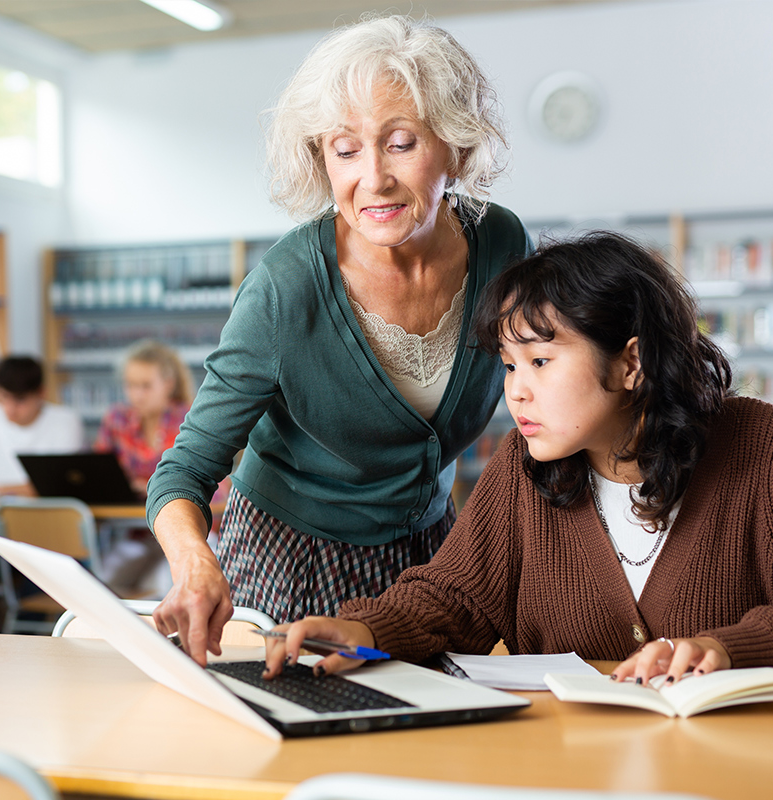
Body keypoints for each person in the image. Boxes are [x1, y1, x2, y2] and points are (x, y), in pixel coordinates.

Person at [262, 232, 773, 686]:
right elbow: (452, 602)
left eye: (540, 361)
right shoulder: (523, 465)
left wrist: (730, 649)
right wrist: (368, 632)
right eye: (508, 366)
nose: (516, 390)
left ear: (631, 361)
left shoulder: (769, 447)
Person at [146, 15, 531, 665]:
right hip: (290, 561)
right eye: (345, 150)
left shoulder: (503, 247)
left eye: (401, 142)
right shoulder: (285, 289)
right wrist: (194, 566)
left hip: (432, 558)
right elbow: (182, 473)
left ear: (457, 148)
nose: (372, 178)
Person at [0, 355, 84, 497]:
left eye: (19, 400)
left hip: (48, 514)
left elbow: (59, 485)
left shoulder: (65, 421)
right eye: (4, 397)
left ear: (41, 393)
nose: (10, 408)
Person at [94, 339, 194, 497]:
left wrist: (152, 489)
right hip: (124, 515)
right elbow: (96, 473)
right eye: (130, 385)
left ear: (168, 384)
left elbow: (212, 486)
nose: (137, 395)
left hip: (174, 514)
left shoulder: (190, 419)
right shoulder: (116, 419)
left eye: (146, 386)